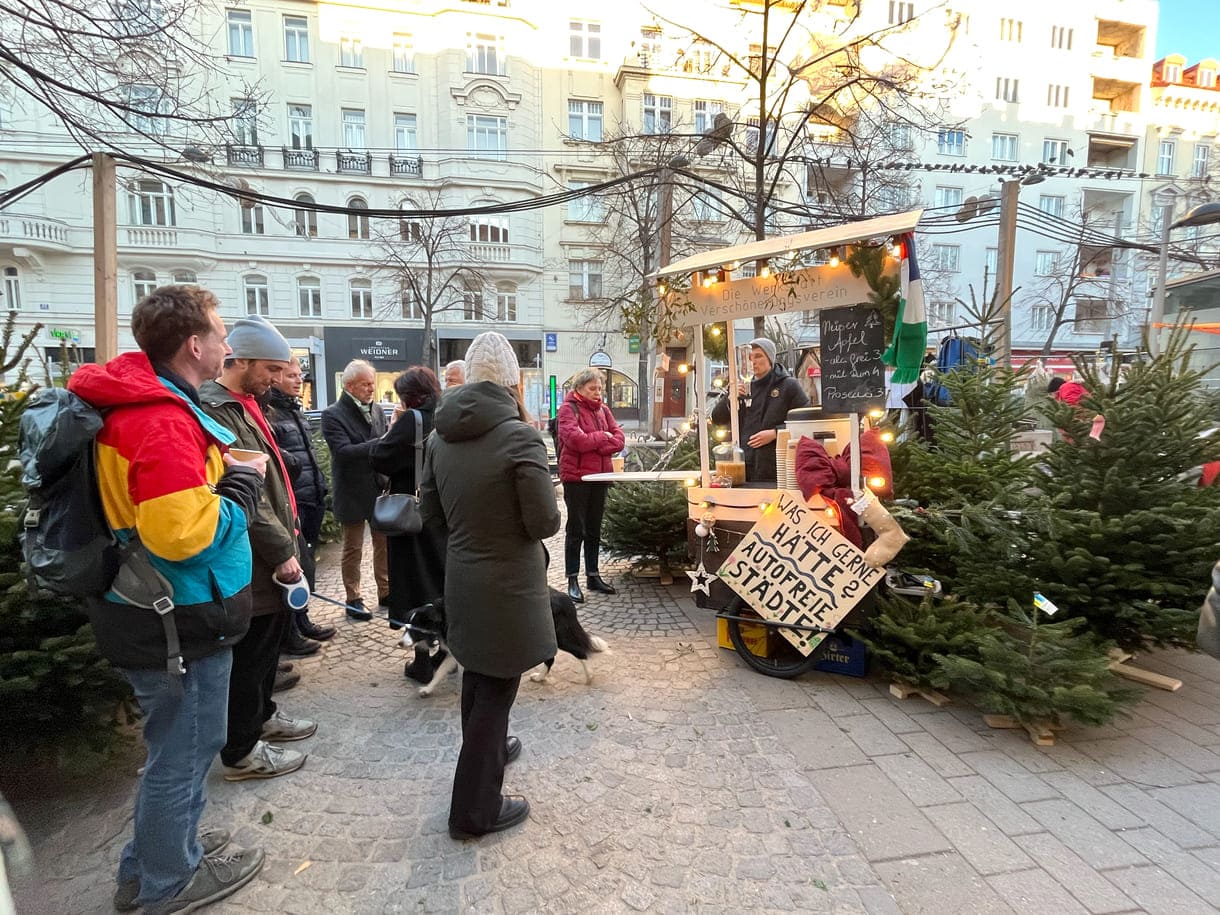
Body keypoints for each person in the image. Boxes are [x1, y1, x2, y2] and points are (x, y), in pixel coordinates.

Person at [68, 285, 266, 914]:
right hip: (174, 620)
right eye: (221, 332)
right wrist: (241, 490)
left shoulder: (154, 405)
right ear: (194, 344)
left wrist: (218, 476)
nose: (227, 344)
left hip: (162, 615)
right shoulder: (158, 420)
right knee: (183, 755)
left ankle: (152, 861)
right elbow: (181, 534)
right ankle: (168, 883)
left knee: (178, 751)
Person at [419, 331, 561, 840]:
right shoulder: (519, 436)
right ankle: (475, 811)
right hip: (507, 581)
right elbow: (544, 522)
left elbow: (429, 513)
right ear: (512, 381)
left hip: (463, 574)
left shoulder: (438, 436)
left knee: (479, 673)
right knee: (497, 686)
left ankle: (492, 747)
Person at [200, 316, 317, 782]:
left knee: (268, 647)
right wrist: (281, 548)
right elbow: (245, 492)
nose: (277, 378)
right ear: (240, 360)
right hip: (252, 552)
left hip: (270, 545)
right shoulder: (220, 409)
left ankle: (263, 716)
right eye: (270, 369)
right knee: (250, 657)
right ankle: (242, 751)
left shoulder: (247, 402)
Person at [370, 366, 446, 628]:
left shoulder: (411, 419)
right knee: (440, 577)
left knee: (414, 582)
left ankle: (421, 655)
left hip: (410, 512)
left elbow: (380, 458)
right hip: (443, 508)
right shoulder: (445, 415)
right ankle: (445, 646)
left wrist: (391, 429)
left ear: (410, 395)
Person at [266, 360, 335, 643]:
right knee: (292, 567)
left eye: (300, 376)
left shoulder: (295, 411)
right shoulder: (269, 412)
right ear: (276, 377)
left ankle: (302, 618)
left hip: (312, 495)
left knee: (307, 564)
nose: (299, 381)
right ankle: (289, 631)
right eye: (292, 376)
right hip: (294, 501)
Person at [322, 359, 389, 621]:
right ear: (349, 385)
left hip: (377, 488)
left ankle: (386, 591)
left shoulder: (378, 410)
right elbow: (343, 452)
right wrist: (380, 443)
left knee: (383, 544)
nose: (371, 388)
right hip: (351, 491)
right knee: (353, 548)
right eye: (366, 384)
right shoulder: (332, 414)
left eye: (372, 383)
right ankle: (353, 598)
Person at [557, 368, 625, 603]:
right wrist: (602, 437)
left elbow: (619, 439)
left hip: (600, 476)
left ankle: (593, 574)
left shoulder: (604, 410)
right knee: (577, 528)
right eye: (592, 389)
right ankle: (572, 577)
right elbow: (575, 440)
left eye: (599, 388)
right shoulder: (568, 409)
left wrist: (598, 440)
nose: (598, 393)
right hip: (577, 478)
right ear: (579, 389)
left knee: (594, 527)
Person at [711, 336, 809, 483]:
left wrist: (776, 432)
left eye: (758, 356)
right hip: (741, 463)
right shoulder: (741, 387)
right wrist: (730, 398)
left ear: (770, 358)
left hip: (773, 466)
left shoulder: (788, 386)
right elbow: (718, 419)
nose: (753, 361)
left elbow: (805, 421)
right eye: (750, 357)